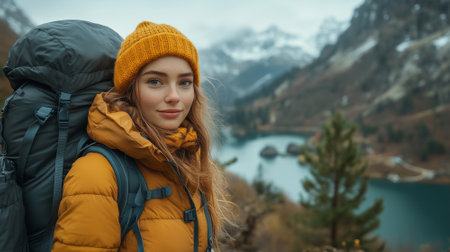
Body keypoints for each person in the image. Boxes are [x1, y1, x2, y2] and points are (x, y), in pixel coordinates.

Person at [51, 21, 228, 252]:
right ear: (130, 90)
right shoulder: (97, 173)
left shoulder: (186, 155)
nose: (175, 96)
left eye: (185, 82)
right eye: (155, 81)